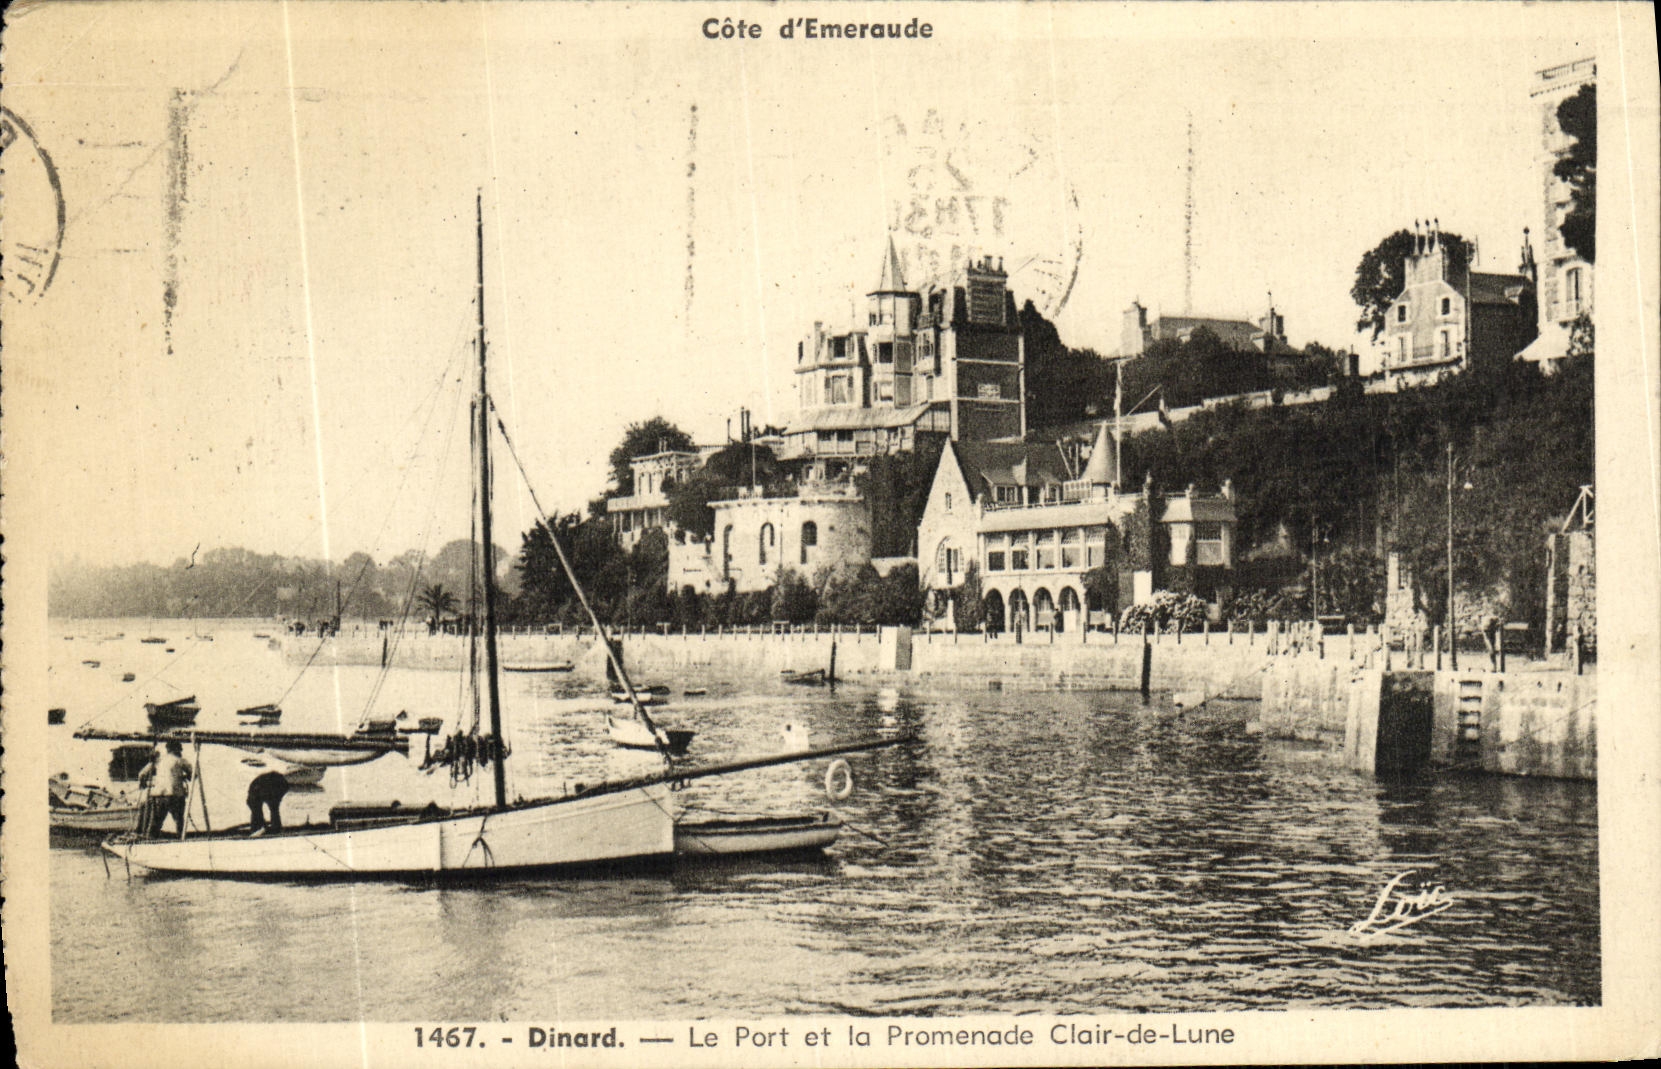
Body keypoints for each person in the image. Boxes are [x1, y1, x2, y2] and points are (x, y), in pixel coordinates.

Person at [141, 741, 193, 838]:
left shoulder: (159, 761)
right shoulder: (180, 760)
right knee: (179, 821)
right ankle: (181, 839)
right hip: (175, 795)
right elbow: (193, 774)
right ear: (177, 750)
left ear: (167, 750)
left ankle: (150, 839)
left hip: (159, 796)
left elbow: (142, 774)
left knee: (156, 822)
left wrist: (143, 784)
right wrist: (183, 776)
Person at [245, 770, 290, 836]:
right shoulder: (254, 793)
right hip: (271, 785)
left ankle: (272, 828)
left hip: (275, 785)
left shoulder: (260, 790)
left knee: (273, 807)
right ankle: (268, 827)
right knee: (271, 808)